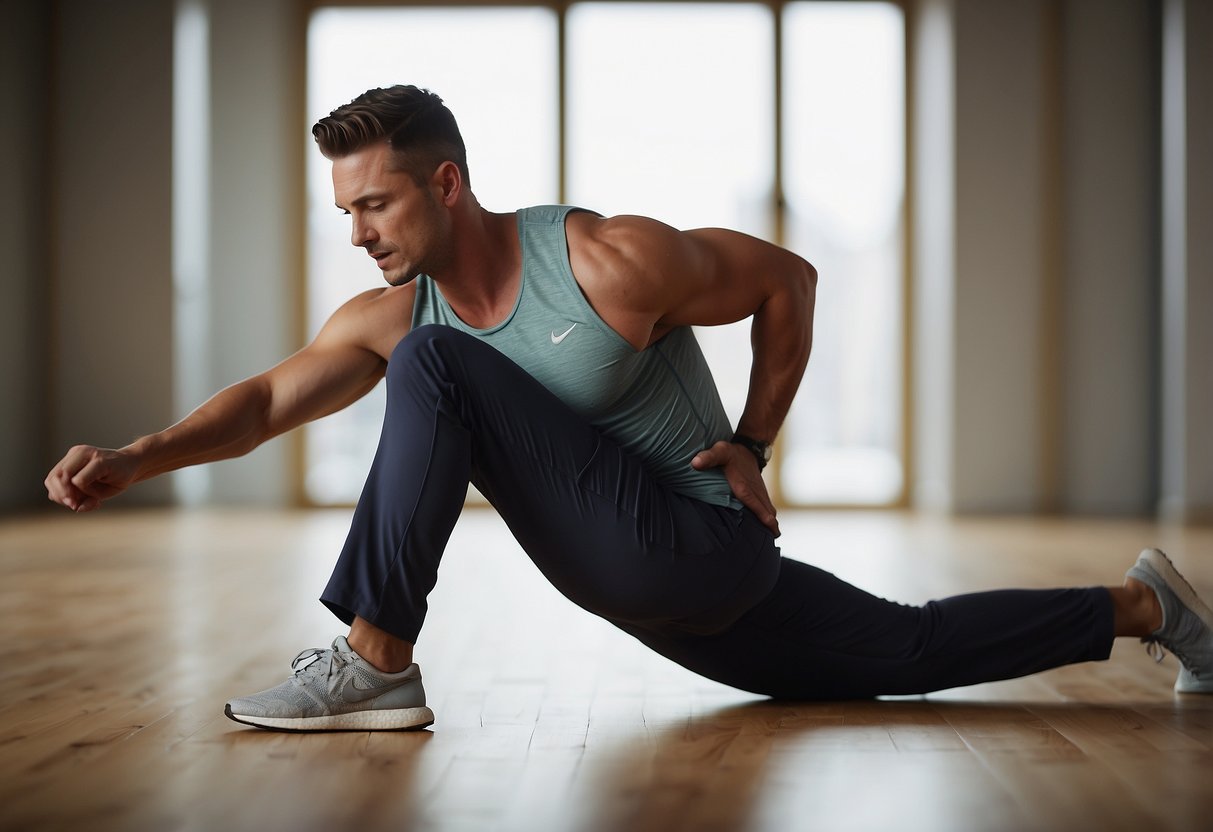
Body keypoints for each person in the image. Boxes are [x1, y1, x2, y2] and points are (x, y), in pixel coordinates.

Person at [45, 85, 1213, 733]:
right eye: (346, 211)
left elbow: (786, 282)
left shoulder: (604, 262)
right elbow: (260, 401)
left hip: (692, 546)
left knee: (433, 369)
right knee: (902, 645)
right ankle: (1146, 605)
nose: (358, 232)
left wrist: (753, 442)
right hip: (671, 595)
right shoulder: (398, 312)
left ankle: (377, 659)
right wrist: (137, 458)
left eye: (378, 204)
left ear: (445, 182)